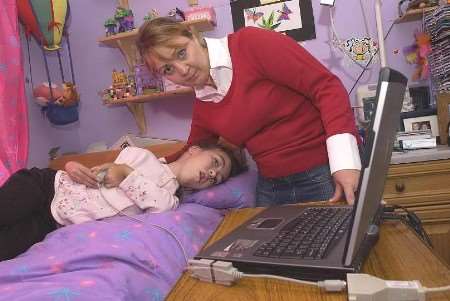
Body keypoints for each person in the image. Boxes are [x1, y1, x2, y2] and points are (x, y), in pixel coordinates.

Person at [136, 17, 361, 207]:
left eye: (181, 53)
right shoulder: (204, 103)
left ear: (193, 35)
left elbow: (326, 87)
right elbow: (189, 151)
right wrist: (133, 169)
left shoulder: (250, 44)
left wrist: (344, 163)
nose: (182, 71)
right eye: (168, 69)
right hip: (271, 186)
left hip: (322, 172)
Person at [0, 142, 244, 261]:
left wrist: (127, 174)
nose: (212, 174)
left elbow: (159, 207)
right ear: (194, 150)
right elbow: (100, 174)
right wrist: (73, 166)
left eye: (216, 179)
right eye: (214, 163)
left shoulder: (170, 203)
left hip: (52, 222)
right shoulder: (141, 155)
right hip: (47, 186)